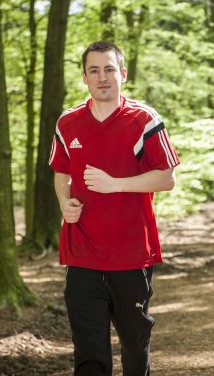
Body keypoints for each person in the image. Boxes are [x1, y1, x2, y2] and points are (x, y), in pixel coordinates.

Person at [48, 40, 179, 376]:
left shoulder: (144, 119)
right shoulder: (68, 123)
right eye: (94, 70)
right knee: (89, 349)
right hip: (82, 253)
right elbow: (61, 171)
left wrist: (115, 183)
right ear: (84, 77)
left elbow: (166, 179)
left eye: (109, 69)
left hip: (131, 252)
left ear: (123, 73)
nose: (102, 77)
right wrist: (64, 202)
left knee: (134, 346)